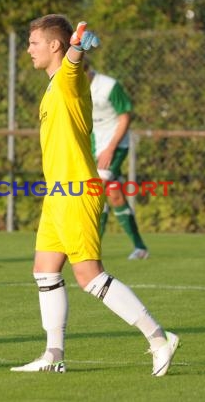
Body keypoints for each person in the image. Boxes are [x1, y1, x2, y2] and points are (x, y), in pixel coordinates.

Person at [11, 14, 179, 376]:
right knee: (44, 270)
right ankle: (53, 355)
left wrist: (76, 48)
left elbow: (73, 64)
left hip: (77, 191)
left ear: (54, 45)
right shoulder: (55, 84)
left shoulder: (68, 79)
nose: (28, 50)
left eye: (34, 43)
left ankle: (159, 339)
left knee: (89, 276)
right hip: (57, 194)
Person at [84, 60, 149, 260]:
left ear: (87, 70)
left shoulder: (109, 86)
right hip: (94, 146)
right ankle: (140, 248)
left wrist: (110, 149)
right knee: (114, 196)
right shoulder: (76, 87)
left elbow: (125, 117)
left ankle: (91, 249)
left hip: (115, 146)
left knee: (96, 191)